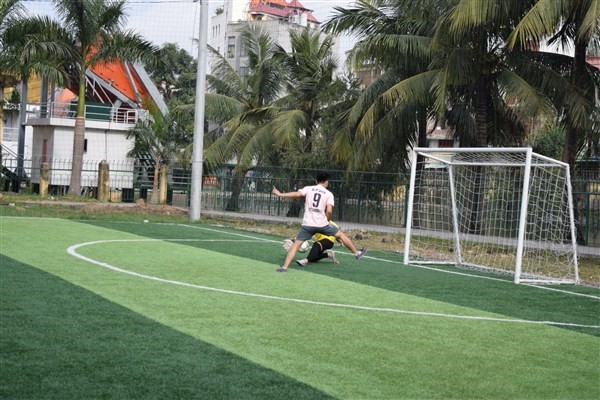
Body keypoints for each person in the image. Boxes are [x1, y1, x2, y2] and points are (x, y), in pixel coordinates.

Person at [272, 171, 367, 272]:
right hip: (322, 224)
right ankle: (357, 253)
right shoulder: (329, 194)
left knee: (295, 246)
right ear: (326, 182)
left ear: (316, 181)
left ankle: (284, 267)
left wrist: (280, 194)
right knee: (341, 235)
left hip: (307, 224)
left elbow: (296, 194)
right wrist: (327, 220)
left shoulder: (309, 188)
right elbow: (329, 211)